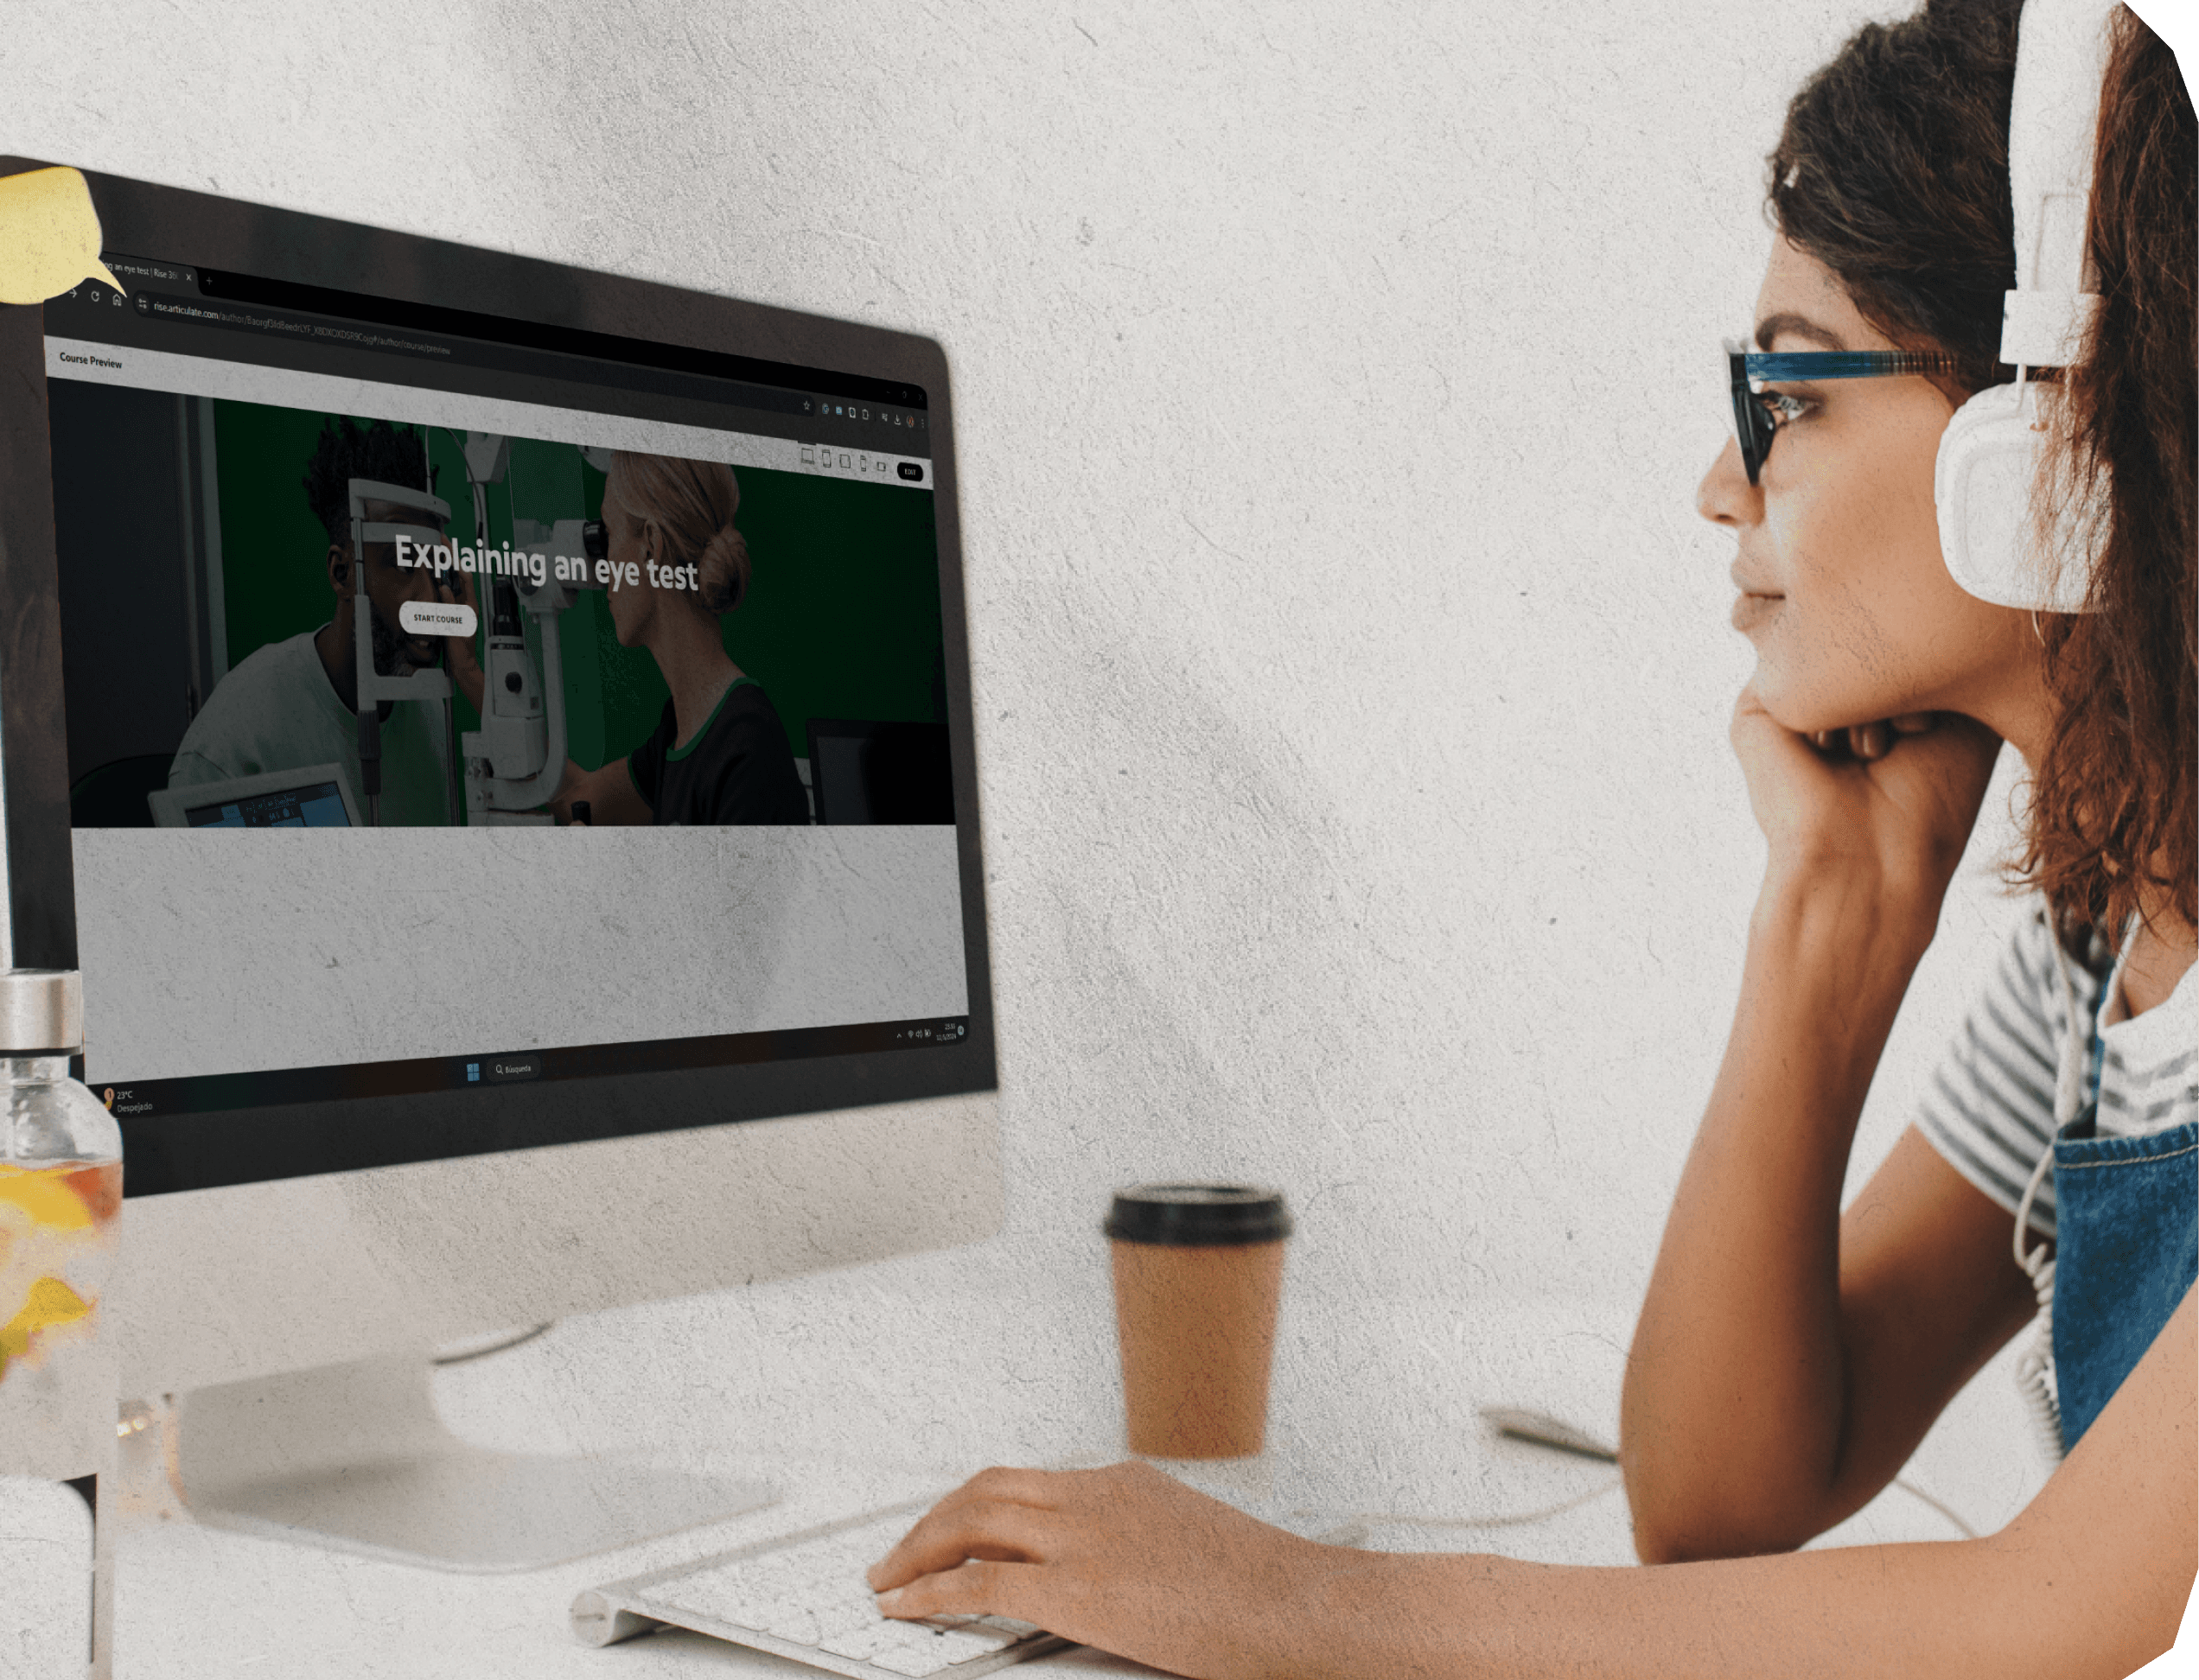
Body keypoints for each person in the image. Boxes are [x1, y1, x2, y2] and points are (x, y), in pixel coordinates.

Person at [863, 3, 2197, 1673]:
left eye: (1785, 388)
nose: (1724, 481)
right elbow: (1716, 1500)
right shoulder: (2101, 961)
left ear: (2045, 438)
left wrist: (1306, 1605)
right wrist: (1828, 921)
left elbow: (2059, 1607)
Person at [169, 417, 479, 825]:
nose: (430, 596)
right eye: (404, 565)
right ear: (342, 573)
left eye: (434, 567)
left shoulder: (428, 714)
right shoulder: (236, 739)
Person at [546, 452, 806, 826]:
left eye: (608, 534)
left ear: (650, 545)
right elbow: (577, 797)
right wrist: (472, 672)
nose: (601, 570)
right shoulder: (679, 733)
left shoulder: (746, 750)